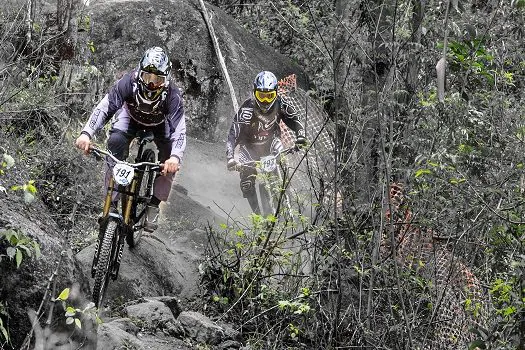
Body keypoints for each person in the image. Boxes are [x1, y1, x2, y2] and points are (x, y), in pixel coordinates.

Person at [75, 46, 186, 232]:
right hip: (130, 119)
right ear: (139, 72)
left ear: (165, 79)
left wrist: (174, 158)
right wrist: (86, 134)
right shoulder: (127, 82)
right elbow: (104, 108)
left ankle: (154, 204)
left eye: (157, 79)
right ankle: (111, 202)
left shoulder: (172, 96)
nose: (151, 84)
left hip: (160, 124)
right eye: (147, 77)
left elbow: (180, 132)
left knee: (168, 159)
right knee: (115, 144)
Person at [226, 70, 307, 214]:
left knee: (280, 167)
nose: (265, 101)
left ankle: (285, 198)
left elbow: (294, 119)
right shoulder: (247, 109)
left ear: (275, 94)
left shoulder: (280, 104)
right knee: (246, 183)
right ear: (254, 92)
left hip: (271, 145)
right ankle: (258, 217)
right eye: (261, 96)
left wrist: (300, 136)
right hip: (249, 149)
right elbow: (233, 134)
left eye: (269, 96)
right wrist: (231, 158)